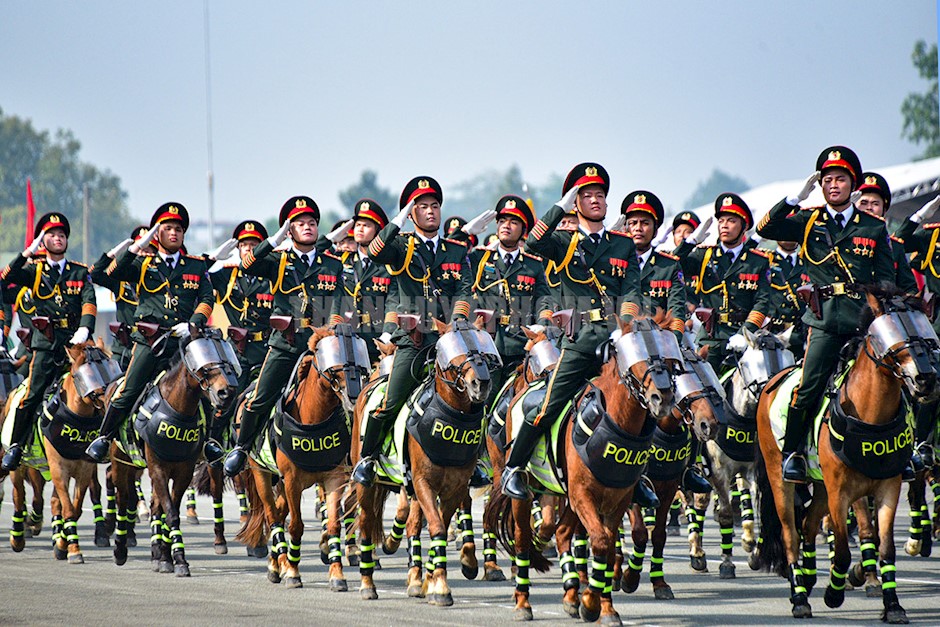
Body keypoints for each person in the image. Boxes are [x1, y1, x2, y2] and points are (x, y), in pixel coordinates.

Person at [500, 163, 655, 505]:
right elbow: (534, 240)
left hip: (617, 341)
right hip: (581, 341)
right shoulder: (562, 241)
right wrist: (560, 205)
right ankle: (514, 467)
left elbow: (632, 290)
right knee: (546, 406)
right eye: (586, 195)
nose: (595, 200)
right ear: (576, 203)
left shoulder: (622, 245)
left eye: (600, 194)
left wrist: (625, 327)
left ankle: (640, 476)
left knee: (650, 401)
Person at [756, 146, 894, 483]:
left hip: (864, 322)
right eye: (828, 179)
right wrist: (794, 199)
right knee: (809, 387)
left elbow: (886, 279)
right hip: (825, 322)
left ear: (853, 184)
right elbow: (765, 228)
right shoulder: (808, 221)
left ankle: (904, 451)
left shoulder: (873, 227)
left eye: (841, 179)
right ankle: (793, 454)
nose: (834, 185)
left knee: (898, 378)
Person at [351, 176, 474, 487]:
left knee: (475, 397)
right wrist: (398, 219)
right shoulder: (401, 246)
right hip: (414, 342)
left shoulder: (455, 250)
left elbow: (464, 289)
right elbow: (375, 250)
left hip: (449, 342)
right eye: (422, 207)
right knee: (390, 402)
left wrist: (457, 320)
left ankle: (476, 461)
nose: (430, 211)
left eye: (435, 205)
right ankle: (368, 459)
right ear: (412, 212)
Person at [85, 203, 219, 464]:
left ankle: (209, 443)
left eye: (178, 229)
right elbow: (109, 272)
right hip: (150, 342)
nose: (173, 233)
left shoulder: (194, 266)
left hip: (182, 343)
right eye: (167, 228)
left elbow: (206, 299)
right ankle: (104, 438)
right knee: (129, 390)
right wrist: (136, 247)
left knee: (205, 387)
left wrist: (193, 323)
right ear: (157, 233)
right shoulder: (142, 264)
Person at [222, 196, 345, 476]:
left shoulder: (332, 264)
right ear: (289, 231)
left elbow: (338, 303)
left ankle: (350, 455)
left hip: (319, 348)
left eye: (312, 222)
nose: (308, 227)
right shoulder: (278, 260)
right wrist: (273, 241)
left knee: (347, 395)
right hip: (285, 346)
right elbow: (247, 264)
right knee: (259, 398)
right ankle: (242, 448)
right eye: (300, 224)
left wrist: (332, 330)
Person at [622, 190, 711, 494]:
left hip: (661, 343)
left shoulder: (668, 264)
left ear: (655, 228)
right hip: (623, 340)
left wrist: (672, 341)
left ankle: (690, 465)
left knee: (698, 387)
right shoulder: (614, 258)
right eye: (633, 222)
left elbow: (677, 307)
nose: (638, 228)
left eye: (645, 223)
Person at [1, 213, 97, 471]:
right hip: (46, 345)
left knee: (98, 391)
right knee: (32, 396)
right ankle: (16, 446)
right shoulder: (34, 270)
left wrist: (85, 329)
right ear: (43, 241)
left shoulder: (79, 271)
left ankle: (101, 441)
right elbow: (6, 278)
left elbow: (89, 301)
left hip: (76, 345)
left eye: (61, 235)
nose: (58, 238)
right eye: (51, 235)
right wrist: (27, 253)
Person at [673, 193, 773, 374]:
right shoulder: (704, 256)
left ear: (744, 226)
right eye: (721, 221)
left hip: (744, 336)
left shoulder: (758, 261)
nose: (724, 225)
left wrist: (744, 334)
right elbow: (671, 265)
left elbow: (762, 302)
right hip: (710, 338)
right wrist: (690, 243)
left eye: (731, 221)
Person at [469, 194, 554, 402]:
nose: (506, 226)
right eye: (502, 221)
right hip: (487, 344)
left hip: (520, 344)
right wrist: (465, 234)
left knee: (522, 399)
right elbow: (447, 256)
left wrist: (542, 324)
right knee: (482, 402)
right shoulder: (480, 258)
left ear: (523, 230)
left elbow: (544, 299)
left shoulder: (533, 265)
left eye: (514, 222)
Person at [205, 220, 274, 456]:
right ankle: (213, 446)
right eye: (245, 245)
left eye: (254, 245)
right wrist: (214, 257)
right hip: (237, 352)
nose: (249, 249)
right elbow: (197, 274)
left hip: (266, 348)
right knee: (227, 400)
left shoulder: (272, 275)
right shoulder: (227, 275)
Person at [333, 199, 399, 363]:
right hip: (346, 337)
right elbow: (313, 252)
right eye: (357, 225)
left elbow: (393, 302)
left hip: (378, 339)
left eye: (366, 225)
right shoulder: (340, 261)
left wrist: (387, 334)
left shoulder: (389, 266)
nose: (360, 229)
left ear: (378, 231)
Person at [90, 225, 152, 369]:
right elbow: (94, 275)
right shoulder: (119, 281)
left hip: (148, 345)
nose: (143, 255)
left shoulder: (158, 281)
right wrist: (114, 253)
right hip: (123, 346)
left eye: (148, 251)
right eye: (140, 250)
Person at [855, 172, 918, 295]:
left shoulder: (894, 246)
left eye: (875, 203)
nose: (869, 208)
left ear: (884, 209)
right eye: (863, 203)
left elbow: (908, 287)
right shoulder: (841, 238)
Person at [766, 239, 808, 359]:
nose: (788, 236)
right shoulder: (765, 260)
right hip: (773, 334)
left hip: (801, 335)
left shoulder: (808, 261)